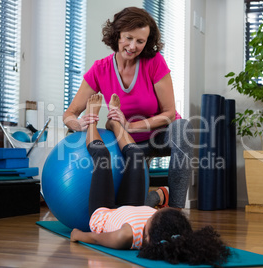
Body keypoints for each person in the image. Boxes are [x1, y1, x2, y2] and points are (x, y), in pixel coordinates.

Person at [70, 94, 230, 266]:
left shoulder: (125, 236)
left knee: (103, 156)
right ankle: (115, 124)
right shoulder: (165, 227)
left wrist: (78, 235)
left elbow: (95, 238)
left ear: (147, 235)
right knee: (137, 155)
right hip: (131, 206)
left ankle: (92, 120)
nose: (156, 213)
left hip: (103, 212)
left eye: (156, 215)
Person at [63, 6, 195, 209]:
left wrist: (131, 126)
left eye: (140, 41)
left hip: (158, 136)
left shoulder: (154, 62)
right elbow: (69, 114)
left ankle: (175, 211)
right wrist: (79, 124)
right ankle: (159, 196)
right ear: (117, 35)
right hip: (126, 143)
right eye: (128, 38)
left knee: (183, 129)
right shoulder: (100, 69)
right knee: (130, 208)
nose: (133, 46)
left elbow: (169, 114)